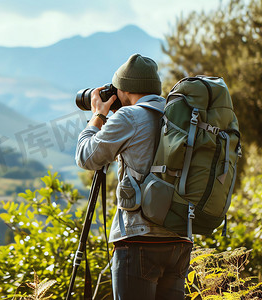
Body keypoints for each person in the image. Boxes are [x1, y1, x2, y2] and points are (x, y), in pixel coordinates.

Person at [75, 54, 192, 299]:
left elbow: (86, 157)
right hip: (180, 239)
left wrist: (98, 115)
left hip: (139, 240)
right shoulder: (179, 117)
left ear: (124, 88)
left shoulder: (129, 117)